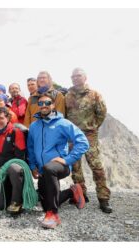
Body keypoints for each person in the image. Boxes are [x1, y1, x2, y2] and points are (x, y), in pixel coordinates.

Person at [27, 93, 89, 229]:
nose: (44, 106)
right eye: (41, 103)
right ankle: (72, 192)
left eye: (47, 103)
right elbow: (30, 148)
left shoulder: (63, 123)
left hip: (60, 166)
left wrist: (67, 159)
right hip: (43, 170)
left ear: (53, 105)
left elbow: (83, 142)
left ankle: (53, 214)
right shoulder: (34, 126)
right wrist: (33, 166)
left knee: (50, 170)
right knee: (44, 203)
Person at [65, 68, 112, 213]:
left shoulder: (95, 95)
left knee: (96, 166)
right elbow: (64, 115)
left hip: (89, 135)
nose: (75, 78)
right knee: (76, 168)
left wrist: (93, 127)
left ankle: (103, 199)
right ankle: (81, 194)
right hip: (73, 137)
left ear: (85, 77)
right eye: (73, 76)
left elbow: (101, 113)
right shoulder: (67, 96)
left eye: (78, 76)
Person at [0, 107, 27, 215]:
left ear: (8, 118)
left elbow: (19, 157)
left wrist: (2, 169)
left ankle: (17, 202)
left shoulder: (16, 132)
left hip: (12, 169)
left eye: (1, 118)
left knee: (15, 168)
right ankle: (8, 193)